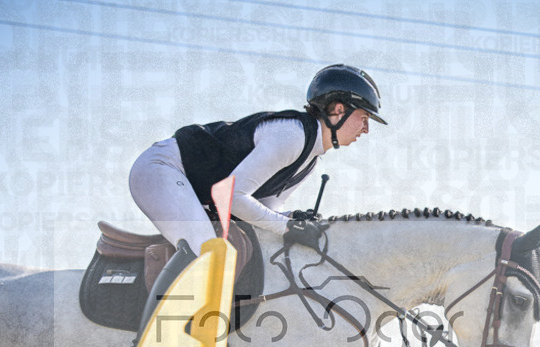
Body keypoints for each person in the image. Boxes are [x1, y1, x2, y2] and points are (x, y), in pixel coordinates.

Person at [128, 64, 386, 331]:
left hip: (193, 185)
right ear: (338, 110)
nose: (366, 129)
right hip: (161, 168)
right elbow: (231, 198)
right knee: (208, 250)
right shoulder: (293, 135)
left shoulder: (311, 160)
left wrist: (293, 218)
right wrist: (286, 226)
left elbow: (261, 211)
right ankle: (147, 341)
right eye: (364, 117)